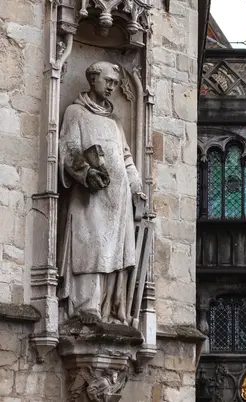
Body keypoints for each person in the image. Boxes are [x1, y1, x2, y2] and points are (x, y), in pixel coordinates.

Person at [58, 60, 145, 325]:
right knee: (91, 248)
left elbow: (127, 159)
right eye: (108, 81)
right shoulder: (76, 113)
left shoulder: (116, 121)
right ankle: (86, 307)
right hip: (90, 197)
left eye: (116, 83)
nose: (112, 87)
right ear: (93, 79)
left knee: (114, 255)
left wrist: (136, 187)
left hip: (118, 202)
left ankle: (110, 309)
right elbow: (68, 148)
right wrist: (86, 172)